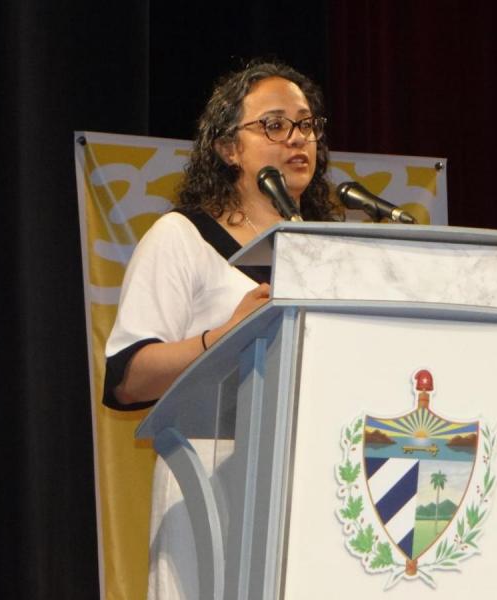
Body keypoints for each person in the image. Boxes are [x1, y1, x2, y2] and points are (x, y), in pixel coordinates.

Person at [102, 60, 340, 599]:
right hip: (209, 491)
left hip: (317, 489)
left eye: (306, 124)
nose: (296, 138)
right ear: (229, 148)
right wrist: (225, 337)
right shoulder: (181, 238)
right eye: (274, 124)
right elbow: (126, 377)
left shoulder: (333, 255)